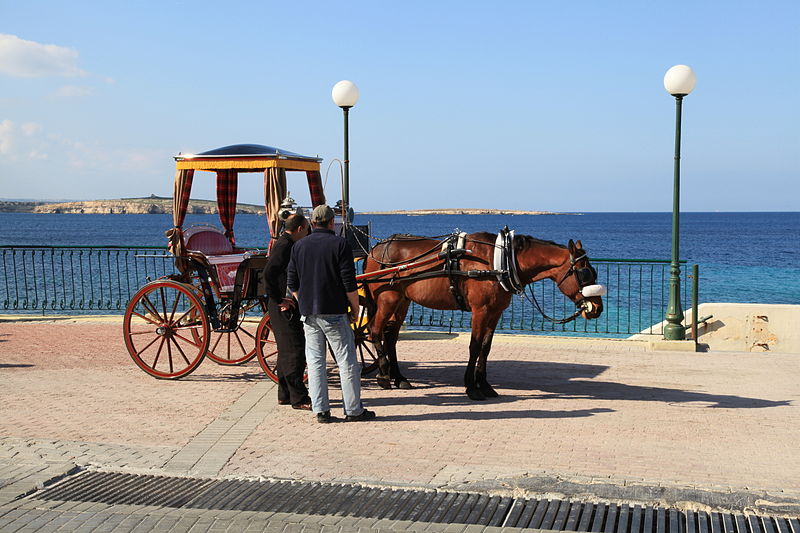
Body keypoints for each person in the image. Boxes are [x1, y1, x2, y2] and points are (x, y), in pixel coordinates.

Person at [287, 205, 376, 423]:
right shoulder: (340, 244)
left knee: (316, 362)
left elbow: (292, 283)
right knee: (346, 362)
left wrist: (304, 302)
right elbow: (349, 283)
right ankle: (353, 410)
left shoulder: (299, 246)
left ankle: (321, 411)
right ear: (331, 222)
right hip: (334, 311)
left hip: (309, 313)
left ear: (313, 223)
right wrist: (355, 309)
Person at [262, 213, 312, 410]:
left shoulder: (286, 243)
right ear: (299, 228)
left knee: (286, 350)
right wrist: (277, 299)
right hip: (283, 305)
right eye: (307, 228)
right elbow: (269, 273)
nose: (308, 232)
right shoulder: (285, 246)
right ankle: (298, 397)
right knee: (295, 350)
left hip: (283, 303)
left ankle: (284, 394)